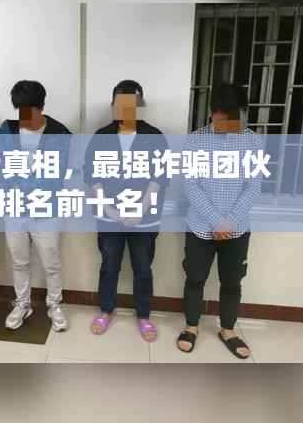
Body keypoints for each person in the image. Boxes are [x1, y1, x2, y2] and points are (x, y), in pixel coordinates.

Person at [176, 83, 262, 360]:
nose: (226, 123)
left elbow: (254, 186)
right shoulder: (196, 140)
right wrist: (216, 220)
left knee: (232, 282)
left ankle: (228, 330)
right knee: (195, 278)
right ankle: (191, 326)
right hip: (200, 227)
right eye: (221, 116)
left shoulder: (252, 141)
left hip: (237, 229)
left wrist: (230, 222)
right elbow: (190, 185)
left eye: (232, 117)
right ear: (213, 112)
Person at [84, 80, 169, 342]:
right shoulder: (101, 136)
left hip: (144, 219)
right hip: (108, 217)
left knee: (143, 268)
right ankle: (106, 310)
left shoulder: (154, 136)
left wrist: (140, 210)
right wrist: (109, 210)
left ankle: (143, 315)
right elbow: (91, 176)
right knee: (109, 266)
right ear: (113, 105)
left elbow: (160, 176)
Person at [0, 80, 71, 332]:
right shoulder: (7, 130)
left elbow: (58, 175)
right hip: (14, 209)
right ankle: (22, 304)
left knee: (51, 263)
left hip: (46, 210)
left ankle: (54, 305)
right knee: (19, 261)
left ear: (42, 106)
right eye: (20, 111)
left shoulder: (60, 133)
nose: (25, 117)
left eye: (30, 111)